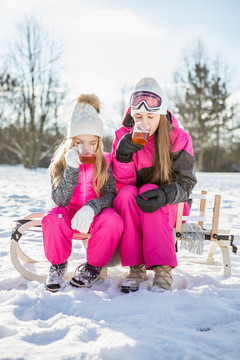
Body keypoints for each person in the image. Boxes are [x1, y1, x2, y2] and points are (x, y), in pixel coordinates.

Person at [112, 77, 197, 293]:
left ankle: (163, 270)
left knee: (149, 190)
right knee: (126, 195)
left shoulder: (178, 137)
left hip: (172, 202)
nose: (145, 122)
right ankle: (136, 268)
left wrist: (165, 194)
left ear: (161, 114)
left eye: (151, 116)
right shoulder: (123, 137)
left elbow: (186, 183)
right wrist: (122, 155)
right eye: (139, 116)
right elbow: (123, 183)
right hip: (135, 201)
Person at [42, 94, 124, 292]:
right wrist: (71, 168)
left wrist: (91, 207)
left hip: (95, 214)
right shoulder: (60, 162)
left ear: (99, 141)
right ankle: (58, 264)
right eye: (80, 142)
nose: (86, 149)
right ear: (71, 141)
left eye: (92, 143)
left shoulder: (106, 161)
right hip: (68, 213)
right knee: (53, 218)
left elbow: (110, 196)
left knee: (113, 220)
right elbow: (59, 200)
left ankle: (93, 267)